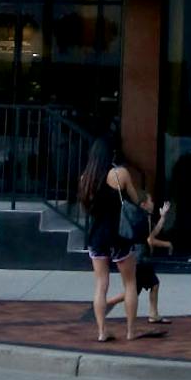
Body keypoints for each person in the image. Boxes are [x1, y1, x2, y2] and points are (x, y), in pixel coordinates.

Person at [79, 133, 141, 344]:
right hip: (119, 234)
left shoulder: (85, 178)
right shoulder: (120, 174)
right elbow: (135, 199)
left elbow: (86, 207)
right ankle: (131, 330)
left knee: (100, 284)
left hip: (97, 235)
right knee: (130, 283)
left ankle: (102, 331)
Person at [136, 195, 174, 331]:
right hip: (141, 260)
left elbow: (153, 233)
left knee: (152, 285)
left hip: (141, 259)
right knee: (134, 291)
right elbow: (150, 240)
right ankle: (105, 304)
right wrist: (167, 244)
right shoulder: (142, 218)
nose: (153, 203)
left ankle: (153, 314)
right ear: (143, 204)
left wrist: (162, 217)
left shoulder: (146, 217)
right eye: (150, 201)